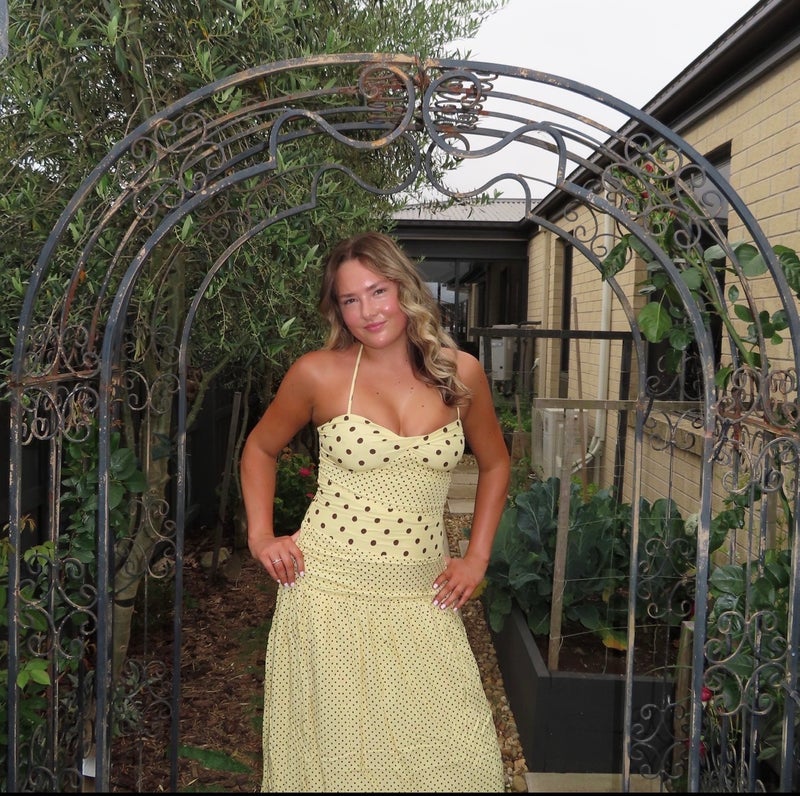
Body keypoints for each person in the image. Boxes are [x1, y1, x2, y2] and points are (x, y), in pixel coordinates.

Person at [240, 231, 511, 792]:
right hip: (328, 598)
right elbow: (260, 449)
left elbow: (496, 463)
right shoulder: (318, 373)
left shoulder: (459, 373)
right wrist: (261, 535)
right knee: (343, 771)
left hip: (422, 597)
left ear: (404, 287)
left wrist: (476, 557)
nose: (368, 311)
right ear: (337, 309)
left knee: (466, 765)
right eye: (350, 299)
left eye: (378, 291)